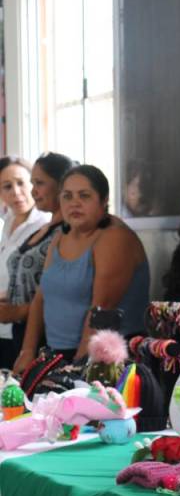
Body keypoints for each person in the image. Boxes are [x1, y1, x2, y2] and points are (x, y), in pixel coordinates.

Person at [13, 164, 150, 373]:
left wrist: (78, 366)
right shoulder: (60, 237)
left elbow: (102, 311)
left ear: (104, 201)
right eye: (67, 196)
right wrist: (27, 352)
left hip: (103, 361)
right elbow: (41, 299)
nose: (74, 203)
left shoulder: (115, 237)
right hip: (58, 355)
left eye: (84, 196)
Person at [0, 152, 74, 362]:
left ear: (61, 185)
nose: (31, 191)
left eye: (37, 183)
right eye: (6, 186)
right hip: (18, 332)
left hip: (42, 337)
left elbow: (53, 292)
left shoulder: (65, 231)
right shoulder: (17, 225)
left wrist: (20, 312)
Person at [0, 156, 52, 367]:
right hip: (4, 324)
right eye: (7, 186)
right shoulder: (8, 221)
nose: (16, 192)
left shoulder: (45, 224)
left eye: (21, 183)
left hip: (28, 326)